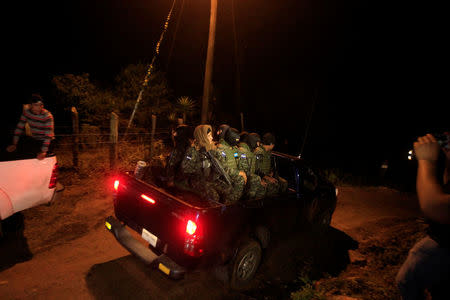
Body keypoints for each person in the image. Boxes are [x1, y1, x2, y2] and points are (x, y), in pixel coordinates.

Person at [396, 133, 450, 300]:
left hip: (443, 244)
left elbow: (435, 206)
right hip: (441, 241)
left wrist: (426, 161)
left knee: (407, 280)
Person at [181, 125, 239, 204]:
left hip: (211, 179)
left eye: (211, 135)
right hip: (197, 180)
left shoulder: (211, 148)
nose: (211, 138)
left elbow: (222, 165)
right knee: (213, 195)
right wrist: (201, 165)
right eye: (208, 136)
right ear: (202, 136)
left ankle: (224, 210)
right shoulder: (193, 150)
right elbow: (185, 168)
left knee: (229, 190)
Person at [6, 94, 54, 160]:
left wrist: (43, 151)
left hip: (47, 141)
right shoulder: (26, 113)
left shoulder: (47, 116)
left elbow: (48, 135)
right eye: (36, 105)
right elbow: (19, 128)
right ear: (30, 105)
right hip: (35, 139)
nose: (39, 107)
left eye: (41, 104)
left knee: (42, 159)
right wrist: (14, 144)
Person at [216, 127, 247, 200]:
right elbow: (222, 169)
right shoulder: (221, 149)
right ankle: (230, 202)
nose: (236, 143)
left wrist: (243, 172)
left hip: (233, 175)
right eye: (235, 140)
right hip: (224, 177)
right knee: (240, 180)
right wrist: (239, 173)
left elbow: (238, 160)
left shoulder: (234, 149)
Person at [237, 132, 266, 199]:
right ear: (253, 142)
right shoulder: (243, 152)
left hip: (250, 177)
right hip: (245, 178)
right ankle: (249, 201)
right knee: (257, 181)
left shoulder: (250, 151)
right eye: (257, 142)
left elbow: (254, 168)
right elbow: (244, 169)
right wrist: (259, 180)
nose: (258, 145)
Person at [165, 124, 194, 188]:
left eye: (175, 132)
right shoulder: (190, 147)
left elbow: (171, 165)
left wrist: (170, 180)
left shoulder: (178, 149)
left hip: (178, 182)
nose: (173, 134)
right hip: (188, 181)